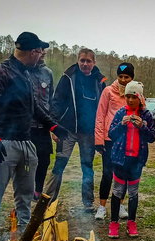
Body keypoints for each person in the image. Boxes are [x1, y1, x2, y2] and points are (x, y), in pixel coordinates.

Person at [0, 32, 67, 241]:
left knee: (26, 194)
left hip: (26, 142)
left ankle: (25, 236)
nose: (42, 55)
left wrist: (52, 126)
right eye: (40, 51)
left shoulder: (26, 74)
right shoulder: (1, 72)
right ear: (32, 52)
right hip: (4, 142)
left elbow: (35, 107)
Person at [45, 48, 106, 211]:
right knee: (59, 164)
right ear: (78, 61)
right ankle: (48, 202)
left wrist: (101, 133)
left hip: (89, 132)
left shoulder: (99, 81)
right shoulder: (68, 77)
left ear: (94, 63)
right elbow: (57, 102)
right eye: (82, 60)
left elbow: (103, 109)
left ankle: (87, 203)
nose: (85, 64)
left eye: (88, 61)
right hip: (67, 130)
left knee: (87, 166)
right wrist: (54, 126)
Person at [107, 81, 155, 238]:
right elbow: (111, 134)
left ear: (140, 97)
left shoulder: (146, 115)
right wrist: (122, 124)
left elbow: (153, 137)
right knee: (117, 191)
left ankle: (131, 223)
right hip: (120, 159)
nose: (130, 100)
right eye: (127, 96)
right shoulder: (121, 113)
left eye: (133, 97)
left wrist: (142, 126)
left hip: (137, 160)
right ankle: (114, 223)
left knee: (133, 193)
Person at [94, 62, 134, 220]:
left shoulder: (134, 93)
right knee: (107, 174)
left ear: (132, 78)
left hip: (126, 141)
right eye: (120, 76)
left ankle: (120, 205)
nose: (123, 80)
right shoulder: (108, 91)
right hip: (110, 140)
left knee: (122, 174)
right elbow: (100, 115)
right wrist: (98, 139)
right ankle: (102, 207)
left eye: (127, 77)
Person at [30, 48, 54, 200]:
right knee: (27, 160)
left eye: (42, 52)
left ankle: (38, 189)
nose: (41, 55)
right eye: (37, 52)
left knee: (44, 160)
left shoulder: (48, 73)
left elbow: (51, 100)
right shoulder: (25, 71)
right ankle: (27, 189)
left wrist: (53, 124)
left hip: (43, 126)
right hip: (27, 126)